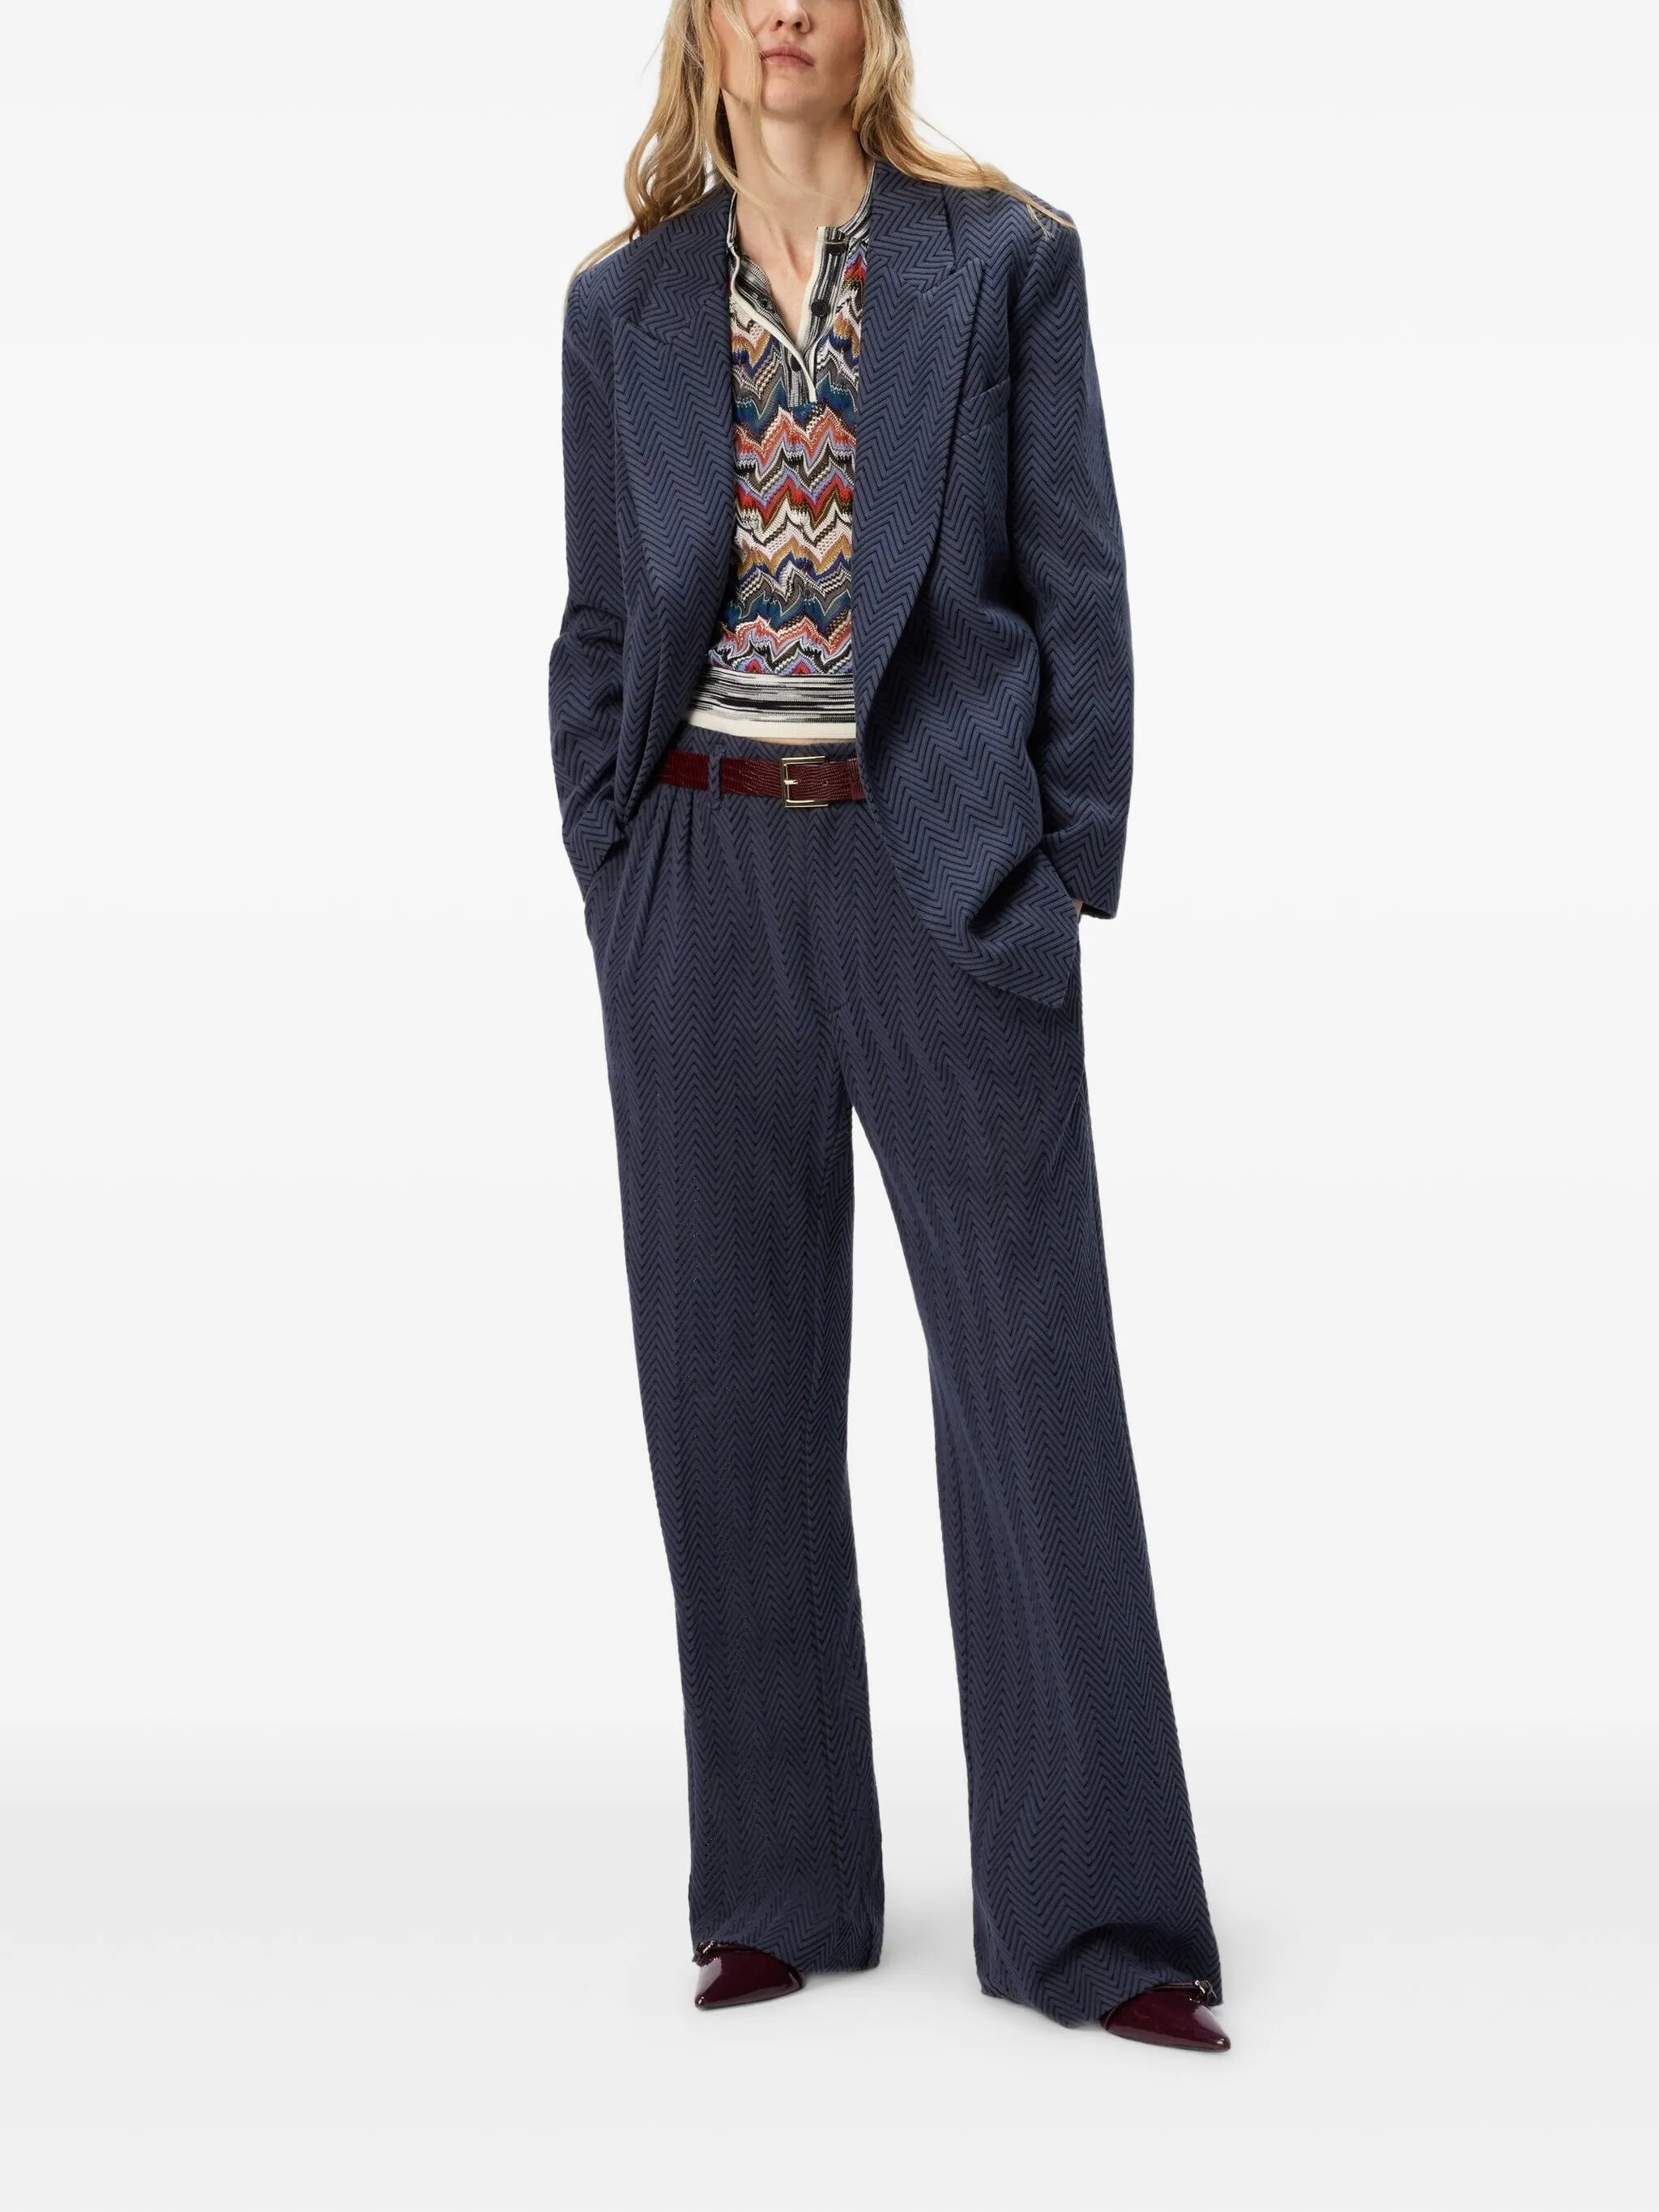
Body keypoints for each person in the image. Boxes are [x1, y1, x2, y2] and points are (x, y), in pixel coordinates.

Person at [548, 0, 1229, 2052]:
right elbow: (602, 616)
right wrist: (611, 855)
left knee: (1031, 1389)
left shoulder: (999, 258)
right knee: (728, 1392)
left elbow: (1078, 582)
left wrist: (1053, 870)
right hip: (696, 875)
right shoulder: (620, 307)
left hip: (938, 875)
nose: (790, 13)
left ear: (875, 18)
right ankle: (775, 1892)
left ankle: (1100, 1923)